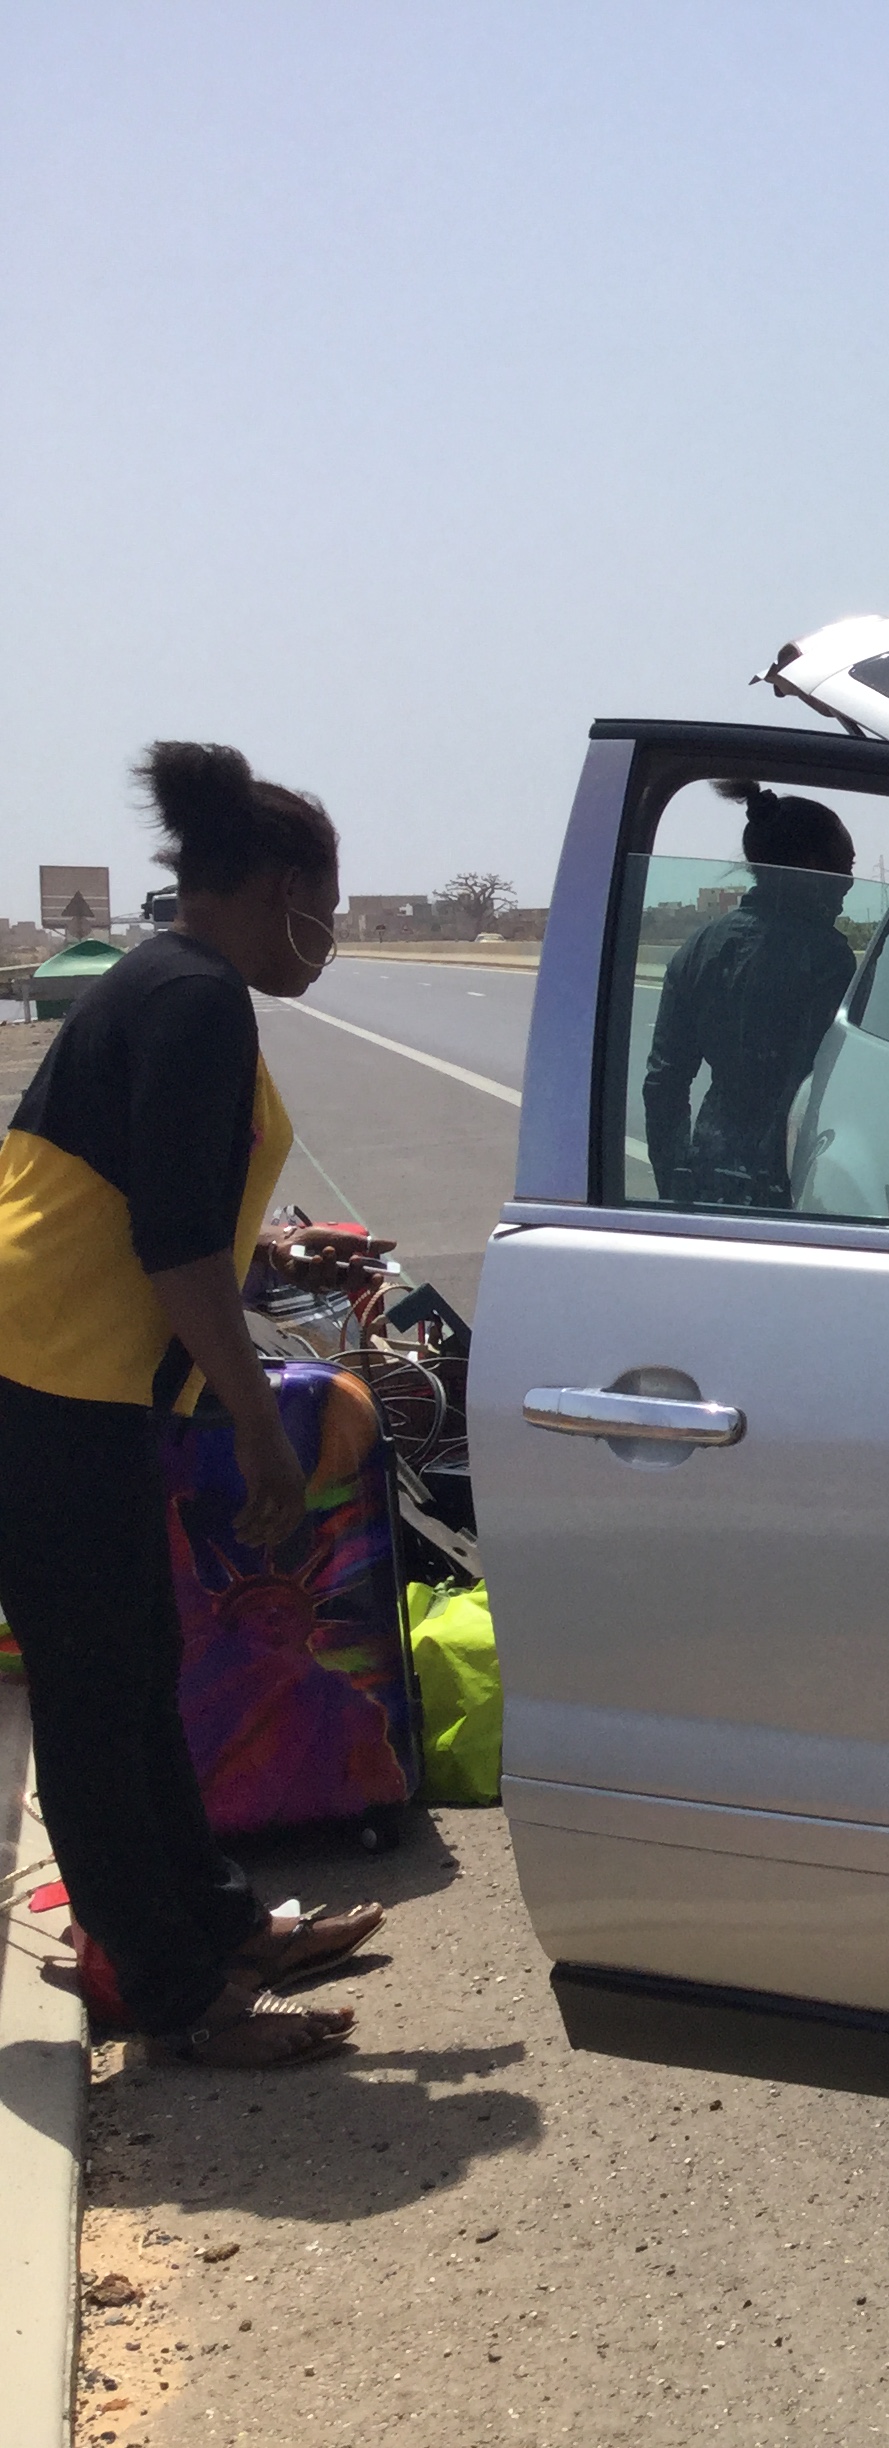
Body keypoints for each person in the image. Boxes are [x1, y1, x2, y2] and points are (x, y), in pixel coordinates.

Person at [0, 743, 389, 2068]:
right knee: (99, 1697)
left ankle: (215, 1929)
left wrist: (273, 1259)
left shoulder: (179, 987)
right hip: (38, 1381)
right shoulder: (194, 999)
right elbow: (170, 1245)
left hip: (68, 1374)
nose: (328, 938)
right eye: (325, 907)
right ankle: (169, 1993)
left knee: (135, 1668)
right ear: (278, 887)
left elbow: (162, 1200)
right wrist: (255, 1422)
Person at [640, 781, 859, 1207]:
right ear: (813, 864)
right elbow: (810, 1085)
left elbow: (663, 1083)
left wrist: (675, 1184)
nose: (850, 883)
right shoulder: (827, 957)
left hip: (709, 1161)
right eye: (846, 866)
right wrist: (778, 1176)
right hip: (788, 1171)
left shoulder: (697, 948)